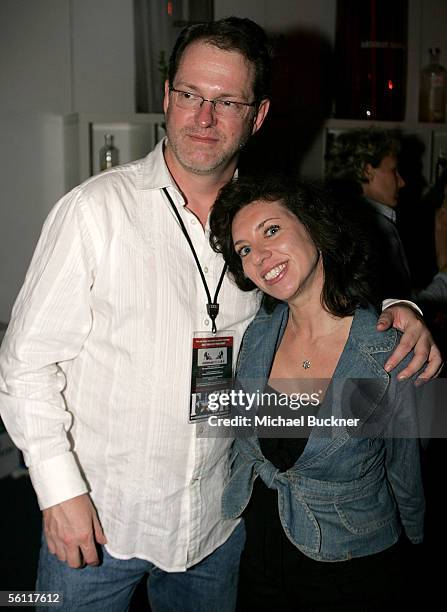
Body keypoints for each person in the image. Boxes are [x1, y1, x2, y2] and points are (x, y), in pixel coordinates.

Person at [0, 17, 440, 612]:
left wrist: (399, 309)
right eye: (190, 95)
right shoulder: (94, 212)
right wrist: (59, 494)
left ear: (256, 116)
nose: (203, 118)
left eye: (226, 101)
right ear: (167, 98)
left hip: (219, 527)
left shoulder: (262, 219)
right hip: (99, 521)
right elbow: (26, 365)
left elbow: (324, 283)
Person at [209, 177, 425, 611]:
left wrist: (418, 554)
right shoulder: (256, 336)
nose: (260, 256)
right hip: (260, 560)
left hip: (352, 568)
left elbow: (407, 471)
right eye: (244, 249)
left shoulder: (387, 347)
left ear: (313, 227)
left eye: (272, 230)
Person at [325, 127, 447, 303]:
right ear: (367, 170)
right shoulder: (378, 228)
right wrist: (444, 273)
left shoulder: (340, 220)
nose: (402, 182)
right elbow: (402, 312)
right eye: (394, 170)